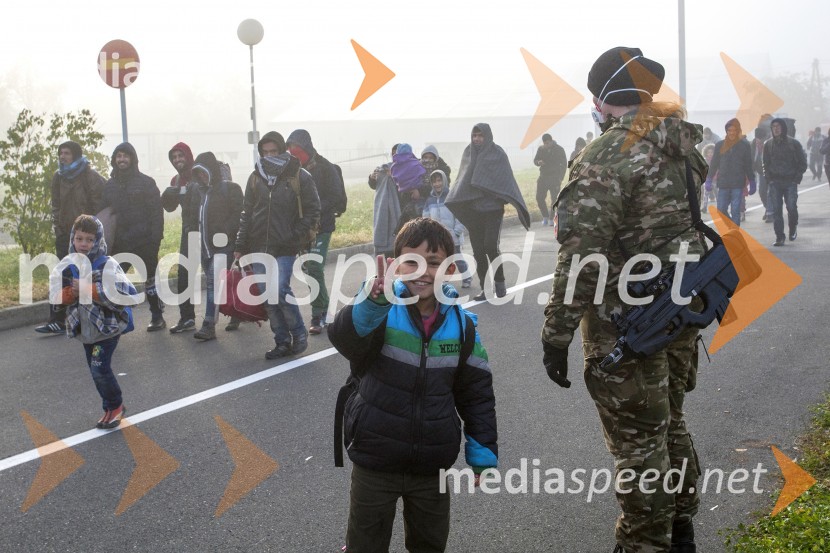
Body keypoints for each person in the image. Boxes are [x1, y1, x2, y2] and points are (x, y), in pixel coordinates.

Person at [542, 46, 706, 553]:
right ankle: (681, 531)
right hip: (681, 309)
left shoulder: (606, 155)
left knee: (639, 447)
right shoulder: (680, 143)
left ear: (602, 98)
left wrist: (556, 333)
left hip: (627, 324)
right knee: (669, 425)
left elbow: (581, 258)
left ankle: (644, 544)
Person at [328, 217, 498, 553]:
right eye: (412, 261)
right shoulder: (379, 310)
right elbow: (346, 338)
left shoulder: (463, 327)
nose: (423, 270)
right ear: (394, 266)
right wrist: (374, 302)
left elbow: (477, 394)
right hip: (375, 456)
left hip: (431, 463)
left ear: (450, 269)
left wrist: (483, 454)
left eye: (433, 262)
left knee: (430, 544)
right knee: (365, 544)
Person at [234, 131, 320, 359]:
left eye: (274, 151)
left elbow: (313, 210)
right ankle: (281, 341)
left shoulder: (299, 175)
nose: (269, 155)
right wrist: (240, 244)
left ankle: (299, 334)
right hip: (258, 245)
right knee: (267, 296)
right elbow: (247, 213)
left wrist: (295, 236)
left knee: (280, 289)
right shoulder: (255, 177)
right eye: (265, 152)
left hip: (285, 246)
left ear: (282, 150)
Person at [53, 214, 137, 429]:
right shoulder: (69, 265)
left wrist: (89, 290)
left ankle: (115, 406)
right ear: (72, 238)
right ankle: (110, 407)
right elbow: (56, 298)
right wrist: (66, 295)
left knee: (99, 368)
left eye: (89, 239)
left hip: (107, 330)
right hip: (87, 330)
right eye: (79, 238)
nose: (84, 244)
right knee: (95, 370)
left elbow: (129, 294)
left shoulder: (106, 264)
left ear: (98, 240)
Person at [445, 123, 530, 301]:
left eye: (480, 136)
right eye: (474, 135)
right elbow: (462, 179)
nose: (477, 139)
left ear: (488, 136)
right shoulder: (468, 153)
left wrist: (494, 191)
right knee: (477, 250)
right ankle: (485, 288)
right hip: (474, 211)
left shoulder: (497, 153)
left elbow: (505, 179)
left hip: (493, 210)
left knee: (490, 246)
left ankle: (500, 283)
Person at [36, 141, 105, 334]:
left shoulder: (90, 176)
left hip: (87, 237)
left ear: (75, 155)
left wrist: (92, 232)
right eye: (60, 153)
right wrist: (58, 228)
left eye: (66, 153)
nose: (62, 156)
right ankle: (56, 319)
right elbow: (55, 205)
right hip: (66, 235)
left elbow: (100, 204)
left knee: (86, 277)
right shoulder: (58, 177)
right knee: (60, 275)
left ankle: (91, 318)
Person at [100, 142, 166, 331]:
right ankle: (113, 319)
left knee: (150, 280)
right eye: (118, 156)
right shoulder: (110, 186)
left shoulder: (146, 183)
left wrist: (156, 239)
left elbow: (156, 213)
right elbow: (103, 212)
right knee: (112, 280)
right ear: (114, 160)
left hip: (145, 241)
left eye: (125, 156)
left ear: (133, 159)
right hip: (120, 243)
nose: (122, 159)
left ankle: (157, 316)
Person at [287, 129, 346, 334]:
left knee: (314, 266)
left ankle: (318, 313)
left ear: (307, 148)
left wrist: (316, 207)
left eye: (298, 150)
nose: (294, 155)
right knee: (309, 269)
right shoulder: (291, 170)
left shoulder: (326, 168)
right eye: (291, 151)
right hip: (302, 228)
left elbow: (337, 197)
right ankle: (325, 309)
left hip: (322, 226)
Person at [187, 152, 243, 341]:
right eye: (197, 173)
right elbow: (193, 218)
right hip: (204, 248)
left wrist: (225, 232)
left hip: (223, 247)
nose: (201, 177)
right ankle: (237, 313)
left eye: (204, 172)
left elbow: (238, 216)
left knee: (212, 283)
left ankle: (209, 324)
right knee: (226, 283)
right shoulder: (197, 192)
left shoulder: (230, 189)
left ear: (211, 171)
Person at [161, 142, 198, 333]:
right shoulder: (175, 180)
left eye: (180, 156)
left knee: (219, 273)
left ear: (188, 156)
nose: (177, 160)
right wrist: (166, 196)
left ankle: (235, 312)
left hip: (210, 231)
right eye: (174, 157)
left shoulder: (200, 173)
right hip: (188, 231)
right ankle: (187, 317)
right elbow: (170, 208)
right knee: (184, 275)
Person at [423, 169, 472, 288]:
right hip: (437, 237)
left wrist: (456, 231)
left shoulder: (452, 197)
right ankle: (443, 280)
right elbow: (425, 217)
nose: (437, 184)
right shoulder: (429, 200)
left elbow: (461, 216)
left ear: (444, 181)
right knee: (441, 260)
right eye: (434, 182)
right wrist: (429, 232)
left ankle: (466, 277)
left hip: (452, 235)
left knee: (457, 258)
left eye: (439, 181)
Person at [763, 118, 807, 246]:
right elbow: (765, 163)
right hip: (775, 182)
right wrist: (769, 179)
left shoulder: (794, 144)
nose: (776, 129)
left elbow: (802, 163)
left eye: (778, 126)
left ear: (783, 128)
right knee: (777, 210)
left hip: (790, 182)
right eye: (773, 126)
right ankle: (779, 237)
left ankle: (793, 228)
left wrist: (796, 179)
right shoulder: (768, 144)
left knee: (791, 208)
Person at [707, 118, 755, 226]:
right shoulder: (720, 145)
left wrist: (752, 181)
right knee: (721, 210)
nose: (732, 133)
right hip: (723, 183)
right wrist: (709, 179)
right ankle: (731, 227)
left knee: (735, 211)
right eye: (729, 130)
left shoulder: (744, 145)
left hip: (738, 183)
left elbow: (748, 165)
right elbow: (714, 163)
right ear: (726, 131)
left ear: (738, 131)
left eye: (734, 130)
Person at [368, 144, 402, 259]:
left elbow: (406, 188)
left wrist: (394, 177)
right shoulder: (385, 168)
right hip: (385, 211)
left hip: (402, 210)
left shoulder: (408, 168)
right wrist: (372, 178)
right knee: (389, 250)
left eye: (397, 153)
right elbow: (375, 186)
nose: (394, 156)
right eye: (393, 154)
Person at [391, 143, 429, 232]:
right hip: (419, 194)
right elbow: (422, 172)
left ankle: (398, 232)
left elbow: (395, 180)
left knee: (408, 221)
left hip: (404, 193)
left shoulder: (394, 166)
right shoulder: (416, 163)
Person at [533, 133, 567, 226]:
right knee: (539, 197)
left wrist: (560, 178)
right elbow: (535, 160)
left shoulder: (559, 149)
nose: (546, 145)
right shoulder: (541, 149)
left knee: (554, 199)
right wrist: (538, 162)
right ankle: (545, 216)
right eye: (545, 143)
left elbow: (564, 164)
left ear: (551, 141)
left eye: (548, 143)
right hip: (543, 176)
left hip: (555, 177)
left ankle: (552, 218)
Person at [751, 125, 772, 222]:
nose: (758, 141)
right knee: (762, 192)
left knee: (770, 193)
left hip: (772, 172)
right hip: (760, 172)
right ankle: (768, 208)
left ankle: (770, 212)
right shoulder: (753, 144)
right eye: (757, 139)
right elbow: (751, 159)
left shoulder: (770, 143)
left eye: (760, 139)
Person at [701, 144, 717, 212]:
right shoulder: (704, 160)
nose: (710, 154)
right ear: (705, 153)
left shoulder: (716, 160)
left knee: (717, 194)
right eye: (708, 152)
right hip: (707, 180)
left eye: (711, 152)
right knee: (705, 195)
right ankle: (704, 207)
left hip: (716, 180)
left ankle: (720, 208)